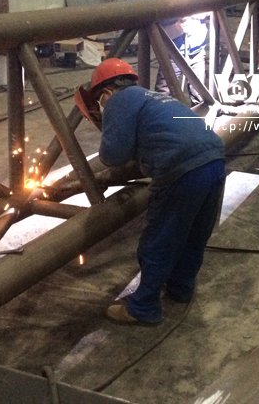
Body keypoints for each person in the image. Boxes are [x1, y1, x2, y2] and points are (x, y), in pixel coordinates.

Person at [77, 57, 226, 325]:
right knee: (194, 235)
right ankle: (181, 289)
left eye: (99, 101)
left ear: (107, 92)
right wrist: (108, 178)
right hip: (214, 161)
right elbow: (148, 155)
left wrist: (110, 133)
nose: (101, 107)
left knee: (159, 241)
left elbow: (113, 155)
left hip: (182, 171)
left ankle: (143, 308)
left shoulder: (118, 101)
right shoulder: (153, 98)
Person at [149, 0, 208, 101]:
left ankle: (199, 114)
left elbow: (205, 12)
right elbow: (155, 21)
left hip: (195, 48)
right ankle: (162, 114)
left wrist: (190, 14)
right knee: (163, 93)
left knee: (199, 93)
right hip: (173, 51)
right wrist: (173, 21)